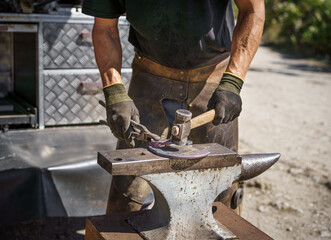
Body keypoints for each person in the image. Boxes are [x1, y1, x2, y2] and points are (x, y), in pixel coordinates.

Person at [82, 0, 265, 215]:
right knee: (127, 195)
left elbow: (253, 10)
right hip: (149, 78)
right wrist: (114, 91)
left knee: (222, 194)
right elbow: (105, 28)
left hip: (213, 77)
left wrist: (233, 81)